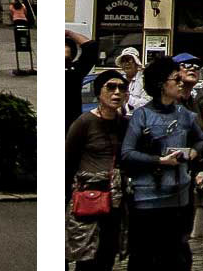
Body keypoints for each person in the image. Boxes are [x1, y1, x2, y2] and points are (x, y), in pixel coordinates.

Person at [123, 55, 203, 271]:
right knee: (145, 258)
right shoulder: (142, 115)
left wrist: (195, 153)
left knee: (177, 258)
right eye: (176, 79)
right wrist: (159, 160)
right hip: (147, 199)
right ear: (161, 84)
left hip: (179, 199)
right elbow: (127, 153)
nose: (181, 83)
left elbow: (201, 140)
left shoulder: (185, 115)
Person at [69, 68, 130, 271]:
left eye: (122, 88)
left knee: (107, 255)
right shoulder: (84, 122)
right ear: (98, 92)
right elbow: (68, 160)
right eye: (110, 87)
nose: (117, 93)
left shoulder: (124, 123)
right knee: (87, 257)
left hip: (114, 199)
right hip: (89, 198)